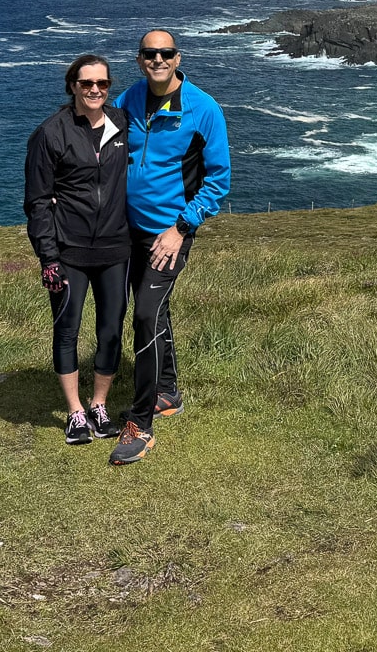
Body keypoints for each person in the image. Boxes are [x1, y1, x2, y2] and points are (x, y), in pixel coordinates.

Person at [109, 29, 231, 465]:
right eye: (149, 53)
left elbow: (219, 179)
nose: (157, 60)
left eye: (165, 53)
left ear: (178, 57)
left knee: (144, 314)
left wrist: (181, 228)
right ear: (140, 59)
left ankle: (141, 424)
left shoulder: (203, 109)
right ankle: (168, 391)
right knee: (153, 311)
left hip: (170, 233)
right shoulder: (128, 100)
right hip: (128, 230)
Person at [24, 54, 131, 446]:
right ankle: (75, 412)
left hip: (116, 248)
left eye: (102, 83)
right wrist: (47, 257)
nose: (95, 90)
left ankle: (99, 405)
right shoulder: (50, 133)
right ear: (72, 86)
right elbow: (37, 201)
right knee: (66, 331)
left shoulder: (122, 122)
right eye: (86, 83)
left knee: (110, 332)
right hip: (69, 253)